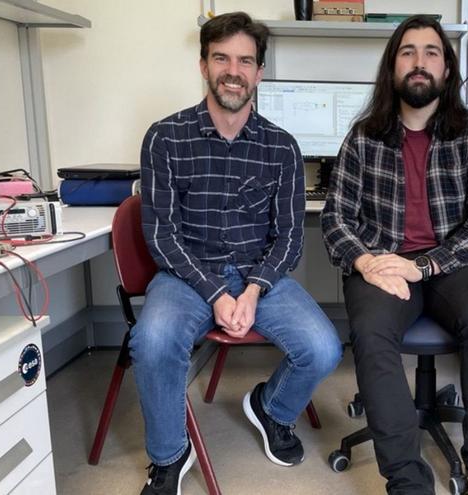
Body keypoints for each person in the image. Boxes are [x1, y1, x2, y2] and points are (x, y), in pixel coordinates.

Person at [132, 12, 342, 495]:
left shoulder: (281, 147)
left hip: (256, 275)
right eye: (221, 57)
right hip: (185, 274)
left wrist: (250, 291)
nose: (234, 70)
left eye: (245, 60)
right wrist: (214, 292)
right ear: (203, 65)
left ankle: (271, 408)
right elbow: (161, 235)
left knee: (324, 347)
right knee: (153, 341)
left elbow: (290, 237)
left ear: (260, 72)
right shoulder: (165, 138)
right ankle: (169, 453)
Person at [321, 15, 468, 495]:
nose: (419, 62)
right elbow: (335, 216)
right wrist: (365, 262)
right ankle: (407, 480)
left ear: (447, 69)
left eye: (431, 52)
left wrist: (426, 264)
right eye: (408, 52)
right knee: (370, 331)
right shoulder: (364, 136)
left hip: (452, 263)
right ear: (392, 67)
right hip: (381, 263)